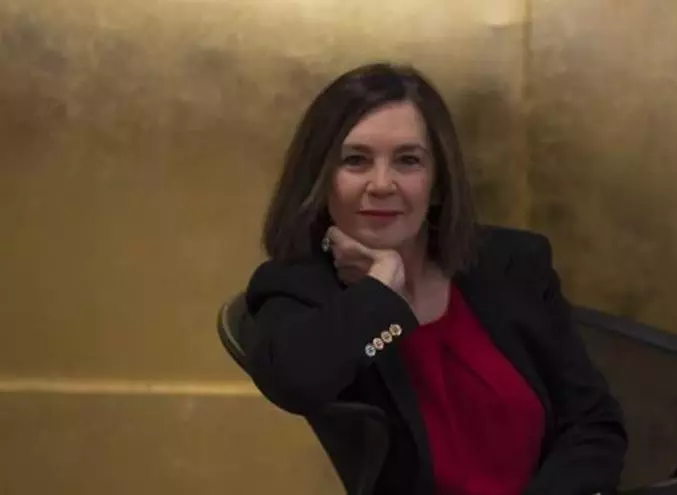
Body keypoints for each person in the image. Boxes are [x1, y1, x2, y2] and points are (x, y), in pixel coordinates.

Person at [241, 62, 628, 495]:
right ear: (321, 179)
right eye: (355, 161)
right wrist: (381, 288)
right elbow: (295, 383)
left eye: (407, 161)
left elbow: (593, 424)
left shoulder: (512, 264)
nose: (381, 184)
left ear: (438, 181)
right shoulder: (298, 286)